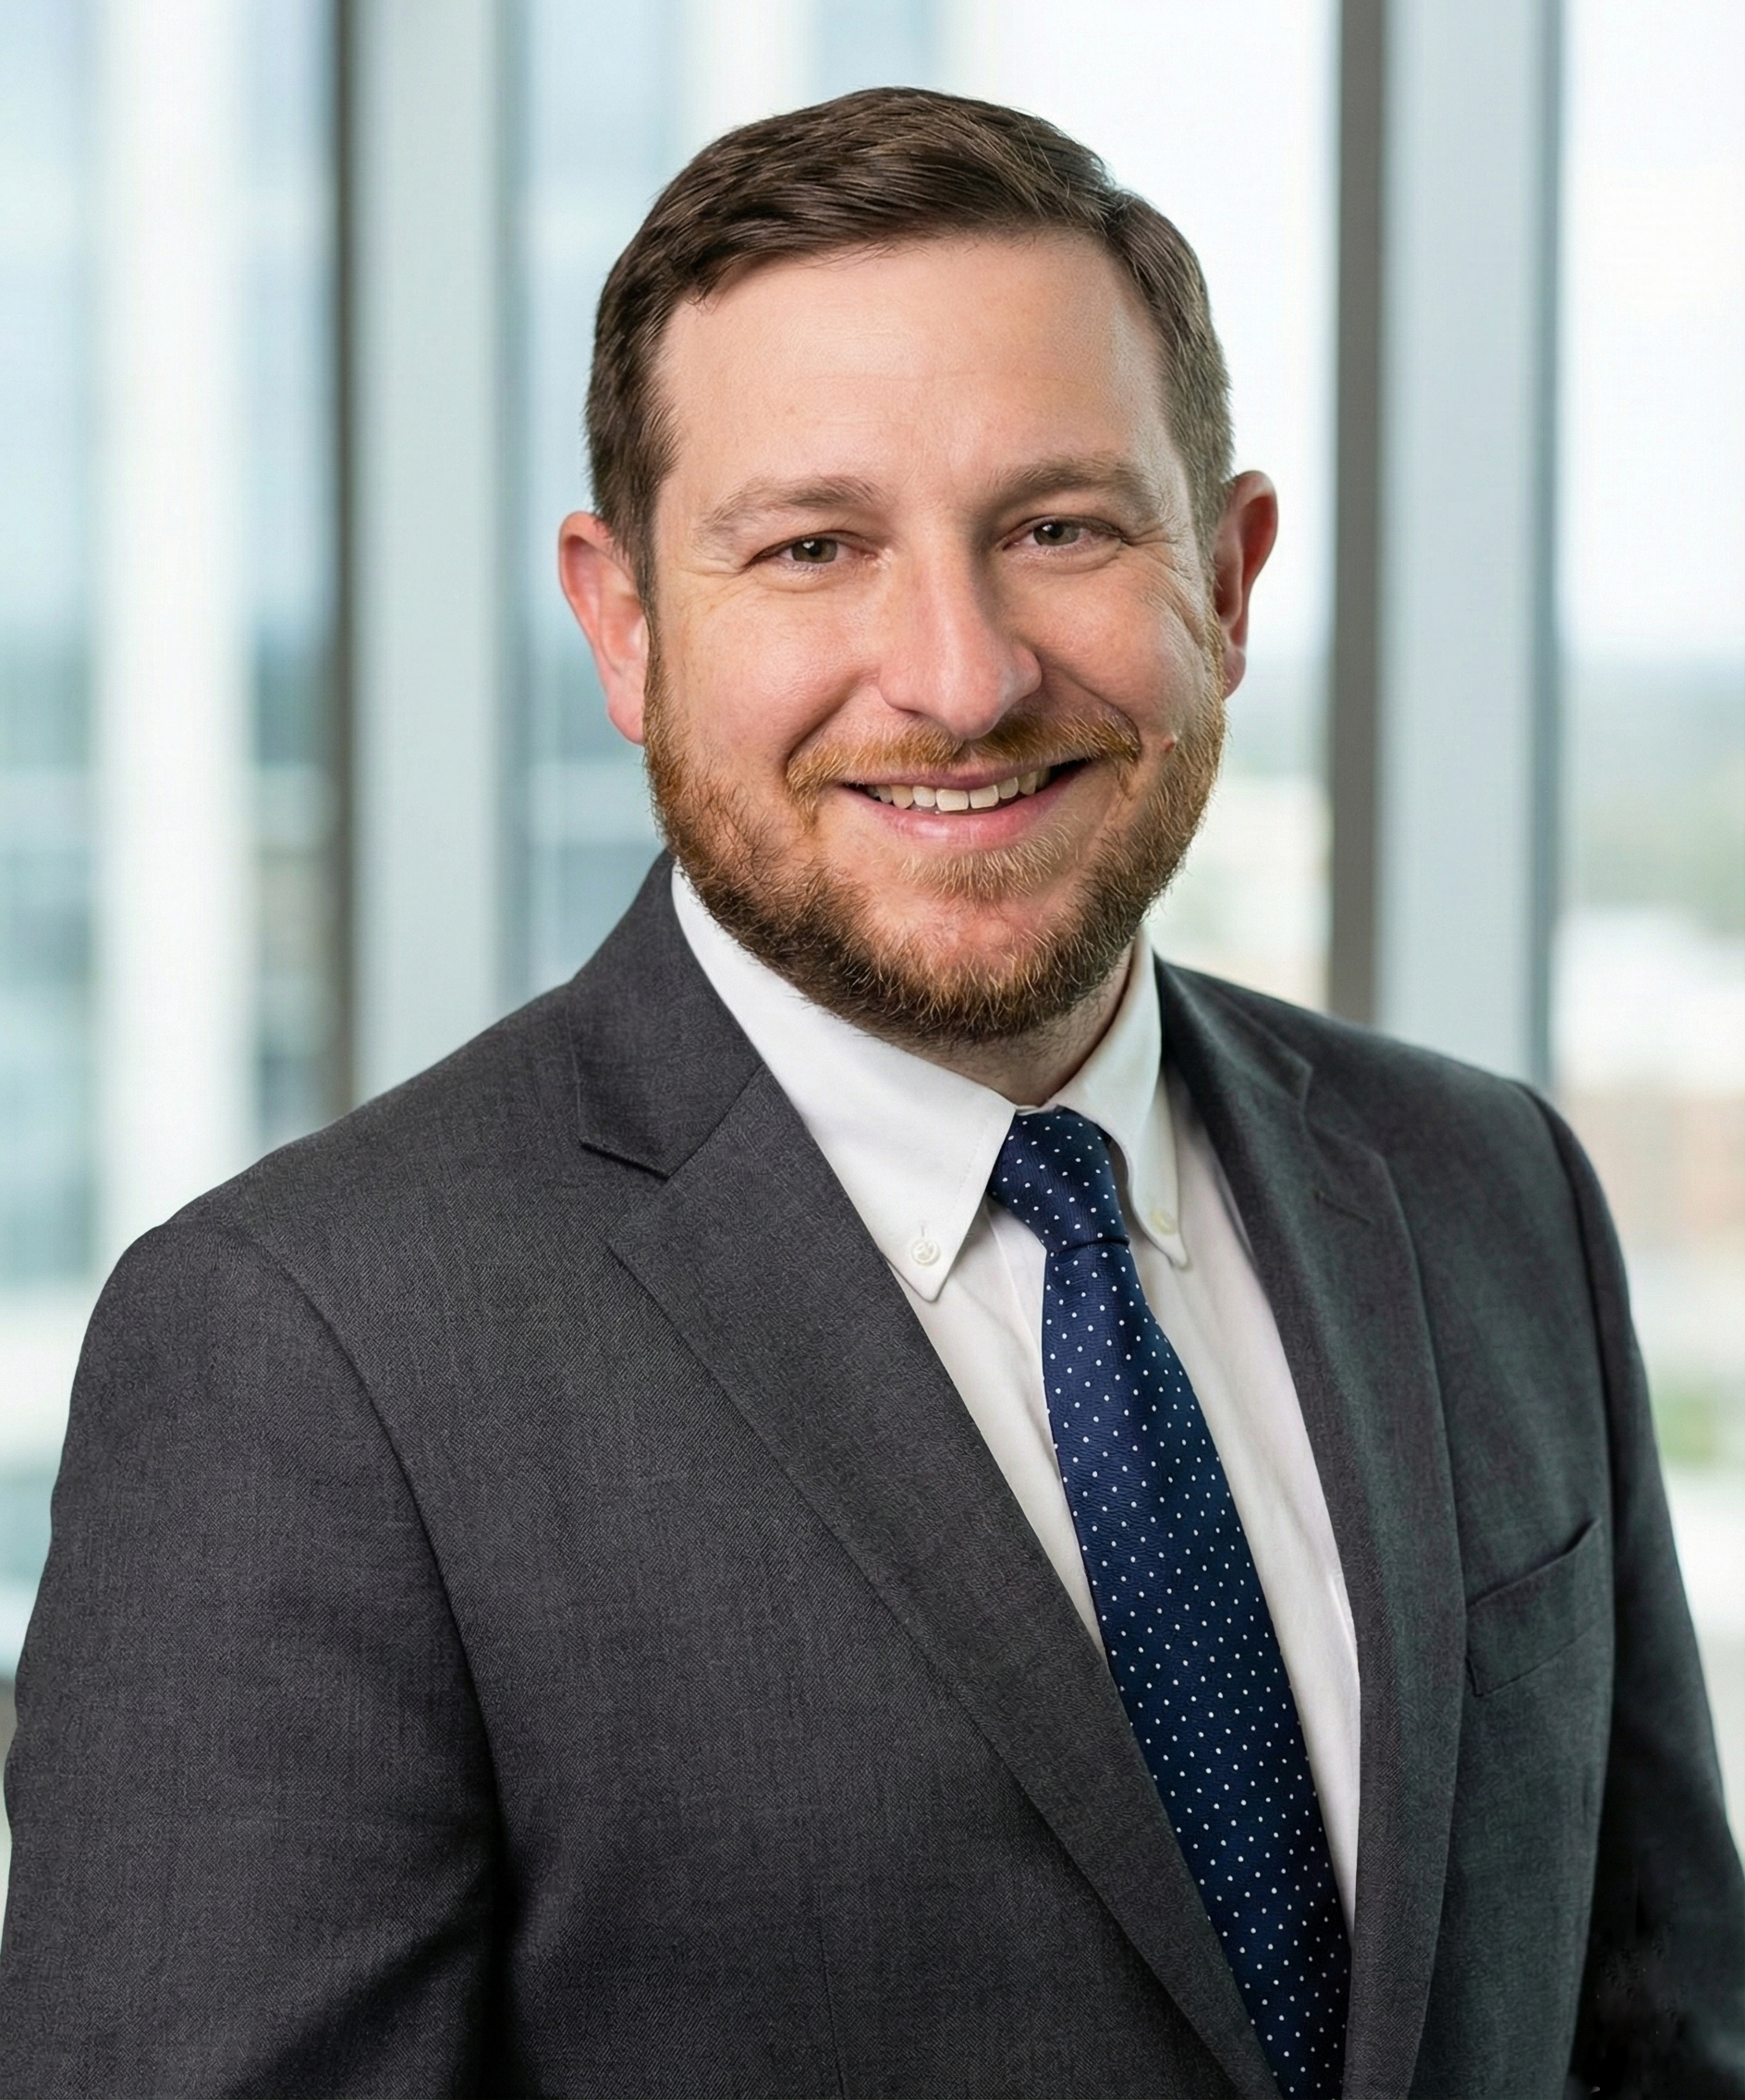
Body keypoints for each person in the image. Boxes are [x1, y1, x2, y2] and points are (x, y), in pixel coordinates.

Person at [1, 86, 1739, 2100]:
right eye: (814, 547)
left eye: (1059, 526)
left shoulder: (1484, 1191)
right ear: (624, 627)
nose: (958, 673)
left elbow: (1656, 2034)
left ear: (1233, 580)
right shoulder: (302, 1358)